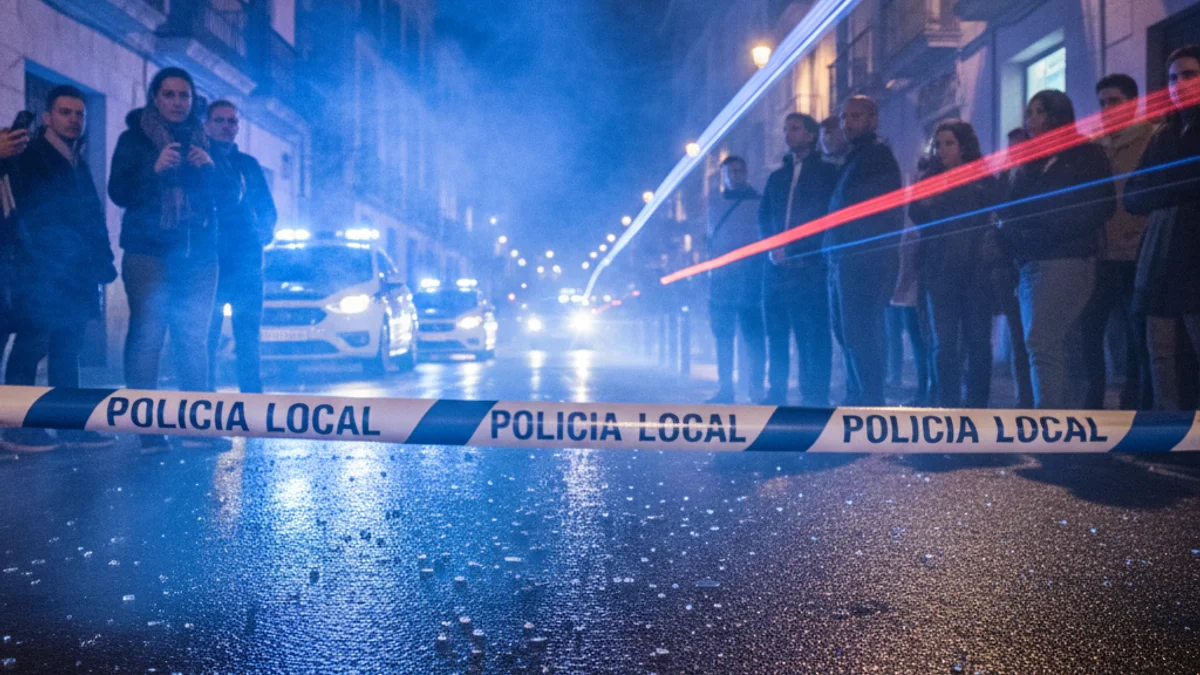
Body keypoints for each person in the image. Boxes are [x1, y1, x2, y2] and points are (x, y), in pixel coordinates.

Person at [109, 67, 223, 452]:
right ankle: (148, 429)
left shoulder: (206, 141)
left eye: (184, 96)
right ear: (155, 97)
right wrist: (153, 170)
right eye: (170, 94)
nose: (178, 102)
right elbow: (119, 192)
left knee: (194, 337)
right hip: (149, 252)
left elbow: (228, 201)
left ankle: (195, 427)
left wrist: (209, 171)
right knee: (148, 334)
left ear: (193, 101)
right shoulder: (134, 140)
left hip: (199, 255)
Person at [0, 87, 117, 452]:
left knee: (69, 347)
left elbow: (91, 214)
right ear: (47, 117)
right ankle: (16, 425)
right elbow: (25, 212)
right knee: (32, 343)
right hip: (41, 269)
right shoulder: (30, 155)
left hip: (75, 269)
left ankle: (69, 424)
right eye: (65, 113)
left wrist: (102, 261)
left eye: (79, 114)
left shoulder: (75, 160)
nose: (74, 120)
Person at [998, 90, 1115, 409]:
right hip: (1030, 261)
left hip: (1066, 257)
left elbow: (1100, 206)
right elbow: (1012, 209)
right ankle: (1059, 418)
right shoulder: (1030, 162)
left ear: (1057, 115)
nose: (1032, 119)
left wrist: (1045, 229)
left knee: (1043, 340)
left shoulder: (1086, 155)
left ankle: (1050, 419)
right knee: (1044, 343)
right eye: (1030, 111)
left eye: (1040, 111)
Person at [1125, 46, 1200, 411]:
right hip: (1160, 255)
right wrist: (1174, 187)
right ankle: (1171, 434)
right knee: (1159, 352)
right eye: (1173, 77)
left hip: (1194, 255)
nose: (1179, 84)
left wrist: (1164, 187)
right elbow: (1132, 195)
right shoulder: (1163, 134)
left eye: (1189, 75)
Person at [1076, 75, 1155, 410]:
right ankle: (1093, 403)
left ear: (1133, 103)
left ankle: (1135, 405)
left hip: (1136, 252)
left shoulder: (1150, 138)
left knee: (1139, 337)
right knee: (1090, 329)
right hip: (1101, 254)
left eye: (1115, 101)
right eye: (1103, 102)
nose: (1108, 108)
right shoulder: (1095, 147)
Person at [909, 120, 999, 408]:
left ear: (963, 145)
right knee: (944, 344)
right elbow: (917, 216)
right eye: (939, 144)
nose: (943, 149)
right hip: (939, 272)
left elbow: (992, 214)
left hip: (976, 271)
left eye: (949, 143)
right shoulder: (929, 179)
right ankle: (947, 405)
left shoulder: (982, 179)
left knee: (977, 343)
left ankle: (976, 406)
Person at [825, 96, 904, 406]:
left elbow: (878, 214)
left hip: (862, 261)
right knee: (847, 335)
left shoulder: (877, 157)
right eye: (844, 117)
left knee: (860, 335)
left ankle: (869, 405)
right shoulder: (854, 159)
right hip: (843, 259)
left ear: (873, 118)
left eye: (855, 116)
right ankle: (858, 401)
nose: (847, 123)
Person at [757, 113, 839, 406]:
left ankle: (814, 395)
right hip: (777, 270)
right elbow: (764, 216)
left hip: (808, 268)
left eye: (794, 128)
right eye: (785, 129)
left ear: (810, 135)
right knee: (776, 334)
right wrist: (773, 246)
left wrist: (797, 250)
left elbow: (825, 219)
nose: (787, 134)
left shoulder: (827, 174)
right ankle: (775, 391)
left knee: (812, 335)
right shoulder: (777, 177)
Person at [205, 100, 277, 394]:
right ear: (207, 124)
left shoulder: (248, 165)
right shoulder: (198, 159)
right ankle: (204, 400)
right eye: (220, 120)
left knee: (248, 337)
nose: (226, 126)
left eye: (231, 121)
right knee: (206, 337)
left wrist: (261, 235)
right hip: (209, 262)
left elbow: (267, 208)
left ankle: (253, 400)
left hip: (246, 264)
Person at [704, 156, 765, 404]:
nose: (735, 175)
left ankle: (755, 388)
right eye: (731, 172)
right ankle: (726, 388)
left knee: (752, 338)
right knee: (725, 337)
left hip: (750, 279)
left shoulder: (758, 201)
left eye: (739, 171)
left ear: (746, 173)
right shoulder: (714, 205)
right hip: (723, 281)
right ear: (724, 176)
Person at [991, 128, 1034, 408]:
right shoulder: (1005, 179)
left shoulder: (1036, 177)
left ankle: (1037, 396)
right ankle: (1024, 398)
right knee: (1018, 336)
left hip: (1031, 259)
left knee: (1033, 335)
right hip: (1008, 264)